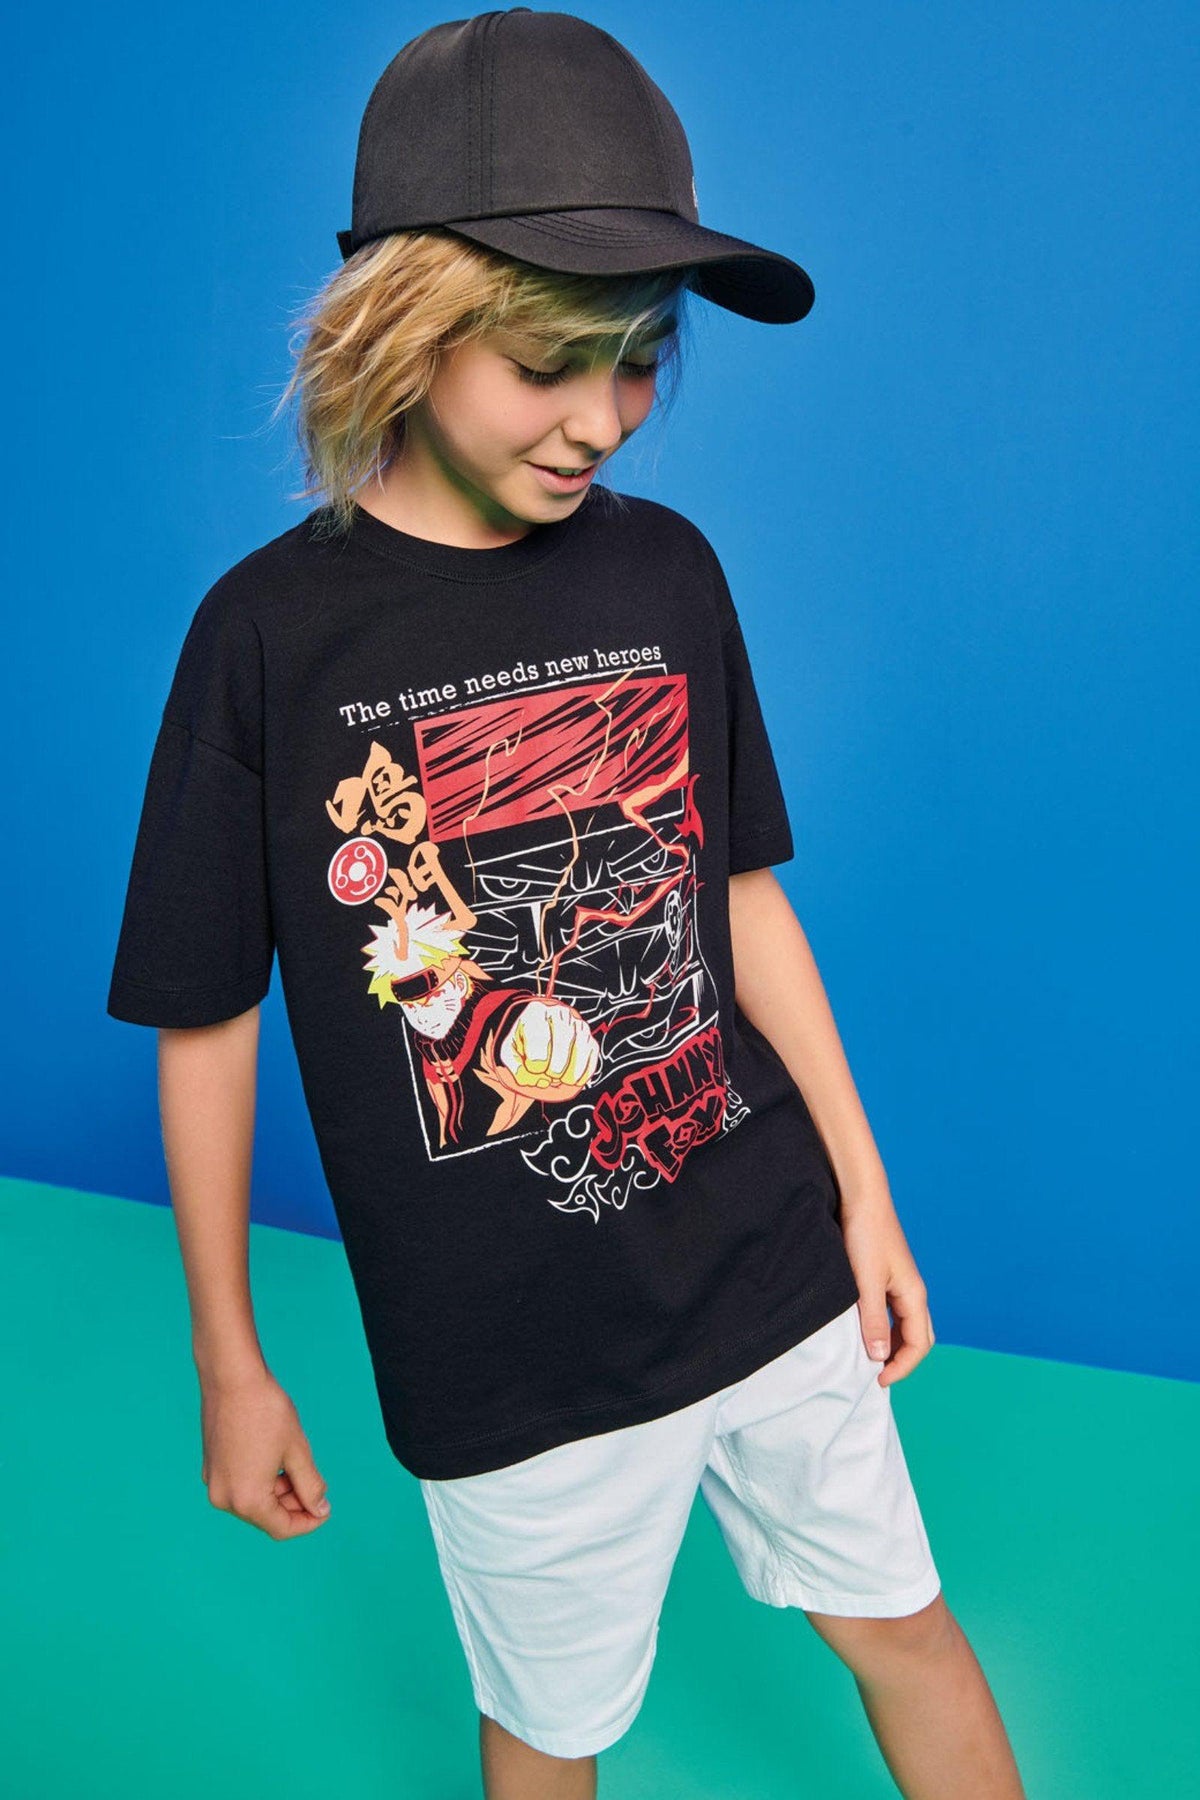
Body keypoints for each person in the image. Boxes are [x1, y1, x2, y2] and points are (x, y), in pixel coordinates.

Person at [106, 10, 1026, 1798]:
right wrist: (231, 1361)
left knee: (910, 1629)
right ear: (405, 326)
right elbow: (205, 1017)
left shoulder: (670, 570)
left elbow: (739, 902)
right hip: (509, 1361)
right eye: (547, 363)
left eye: (640, 356)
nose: (602, 418)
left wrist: (864, 1192)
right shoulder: (268, 639)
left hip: (765, 1265)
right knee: (550, 1739)